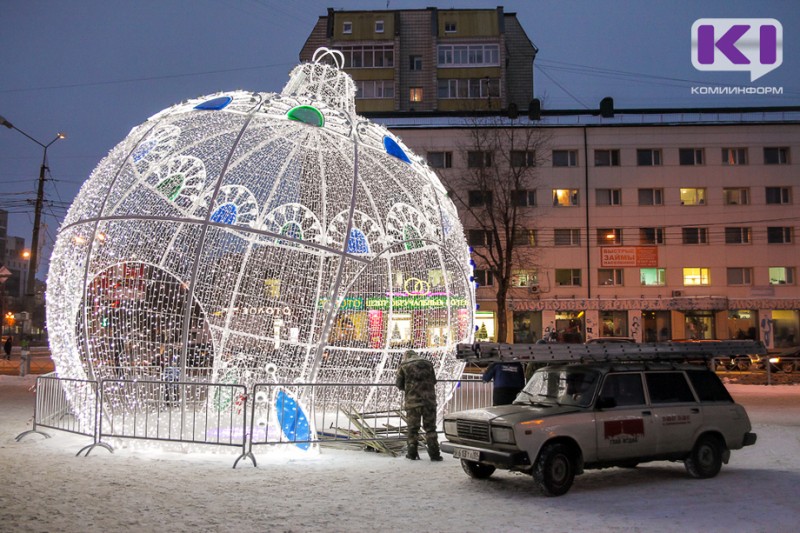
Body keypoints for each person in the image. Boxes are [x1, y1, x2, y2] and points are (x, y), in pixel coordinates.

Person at [395, 349, 442, 461]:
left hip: (413, 403)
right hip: (429, 401)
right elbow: (434, 381)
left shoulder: (404, 365)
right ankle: (434, 454)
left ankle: (412, 453)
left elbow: (399, 384)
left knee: (412, 429)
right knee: (431, 429)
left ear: (406, 356)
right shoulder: (428, 364)